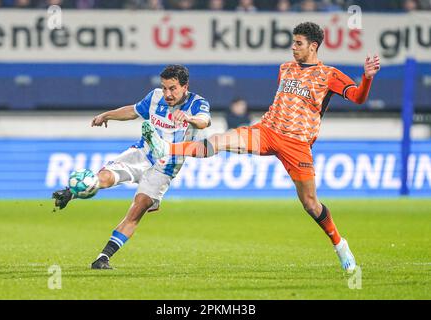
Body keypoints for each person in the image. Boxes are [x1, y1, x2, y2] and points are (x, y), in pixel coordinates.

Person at [142, 22, 380, 272]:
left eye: (298, 43)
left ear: (313, 46)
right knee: (220, 141)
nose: (293, 47)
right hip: (267, 132)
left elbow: (358, 97)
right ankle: (166, 148)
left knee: (310, 204)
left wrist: (366, 78)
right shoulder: (285, 68)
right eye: (293, 41)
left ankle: (340, 244)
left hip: (296, 145)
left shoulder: (329, 75)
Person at [52, 65, 211, 269]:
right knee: (106, 177)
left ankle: (103, 258)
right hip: (142, 153)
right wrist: (106, 115)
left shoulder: (198, 103)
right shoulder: (155, 97)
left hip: (166, 167)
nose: (167, 94)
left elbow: (203, 121)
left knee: (139, 207)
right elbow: (133, 111)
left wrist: (189, 118)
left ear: (185, 87)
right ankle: (71, 193)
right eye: (164, 88)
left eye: (172, 88)